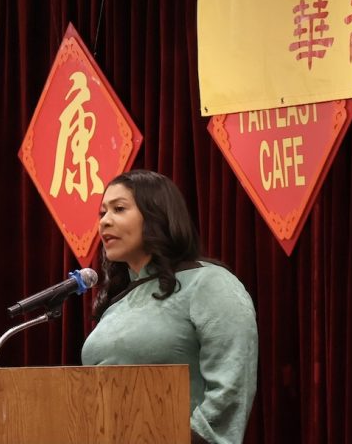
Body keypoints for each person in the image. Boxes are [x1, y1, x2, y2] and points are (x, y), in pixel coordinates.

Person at [81, 169, 258, 444]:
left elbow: (231, 386)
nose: (105, 221)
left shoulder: (209, 283)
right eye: (102, 213)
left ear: (156, 214)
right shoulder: (116, 303)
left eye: (118, 209)